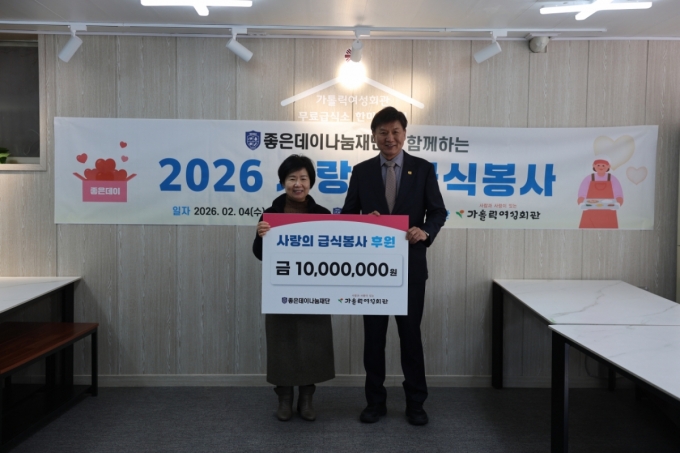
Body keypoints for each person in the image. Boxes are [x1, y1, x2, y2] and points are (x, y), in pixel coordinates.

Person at [341, 107, 447, 426]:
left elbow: (438, 212)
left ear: (404, 133)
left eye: (395, 131)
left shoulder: (422, 169)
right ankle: (375, 402)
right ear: (374, 136)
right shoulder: (361, 171)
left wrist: (425, 231)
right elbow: (347, 215)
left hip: (410, 268)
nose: (390, 138)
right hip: (372, 270)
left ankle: (416, 402)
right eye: (383, 132)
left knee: (410, 337)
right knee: (374, 338)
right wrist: (364, 222)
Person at [252, 154, 335, 422]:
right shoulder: (271, 214)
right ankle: (284, 398)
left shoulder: (323, 215)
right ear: (282, 182)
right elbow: (259, 254)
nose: (297, 184)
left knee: (313, 341)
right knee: (282, 343)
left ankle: (307, 398)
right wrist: (261, 235)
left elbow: (335, 253)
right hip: (281, 291)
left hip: (314, 290)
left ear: (311, 182)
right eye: (291, 178)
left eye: (303, 178)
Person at [577, 156, 624, 229]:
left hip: (609, 210)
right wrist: (581, 203)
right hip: (590, 210)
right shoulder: (589, 178)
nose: (601, 167)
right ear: (594, 166)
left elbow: (618, 194)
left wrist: (618, 203)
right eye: (598, 165)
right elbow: (582, 193)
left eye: (603, 165)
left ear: (608, 166)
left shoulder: (612, 179)